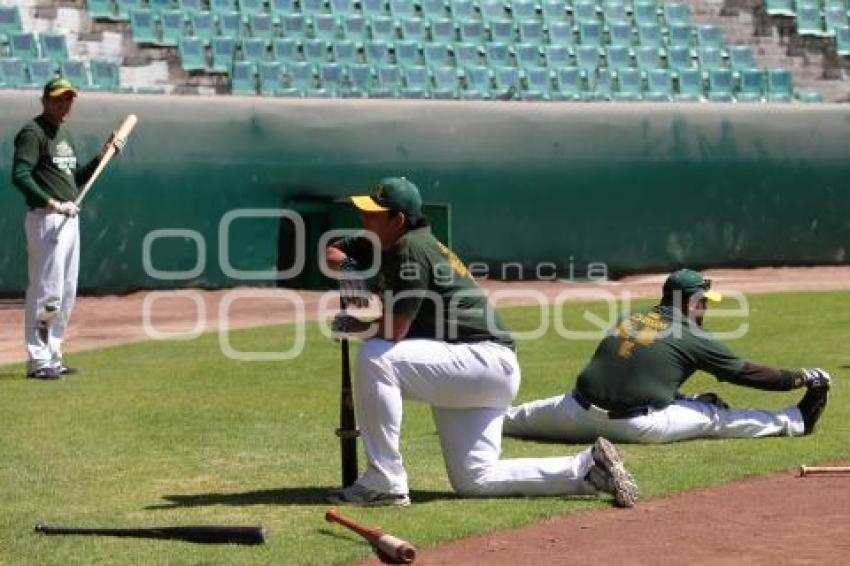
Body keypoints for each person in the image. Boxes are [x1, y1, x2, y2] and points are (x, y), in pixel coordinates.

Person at [323, 177, 638, 508]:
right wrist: (348, 268)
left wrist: (356, 326)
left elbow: (394, 331)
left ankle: (383, 481)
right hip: (475, 367)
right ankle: (589, 468)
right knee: (475, 479)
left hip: (479, 360)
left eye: (373, 214)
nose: (364, 219)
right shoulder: (391, 241)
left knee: (376, 357)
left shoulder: (410, 250)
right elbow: (332, 251)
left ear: (397, 220)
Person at [503, 269, 831, 444]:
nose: (706, 308)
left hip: (571, 414)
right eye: (704, 301)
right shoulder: (693, 335)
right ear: (690, 302)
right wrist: (801, 378)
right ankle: (794, 421)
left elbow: (630, 372)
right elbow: (745, 374)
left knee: (507, 420)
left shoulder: (632, 318)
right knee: (715, 418)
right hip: (635, 426)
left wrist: (681, 396)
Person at [11, 78, 123, 380]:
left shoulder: (64, 134)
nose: (64, 105)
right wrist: (52, 203)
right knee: (46, 292)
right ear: (45, 100)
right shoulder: (33, 133)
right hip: (46, 219)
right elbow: (20, 175)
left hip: (68, 218)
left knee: (66, 291)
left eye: (68, 100)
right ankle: (38, 359)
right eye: (59, 99)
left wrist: (103, 156)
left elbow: (73, 181)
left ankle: (54, 354)